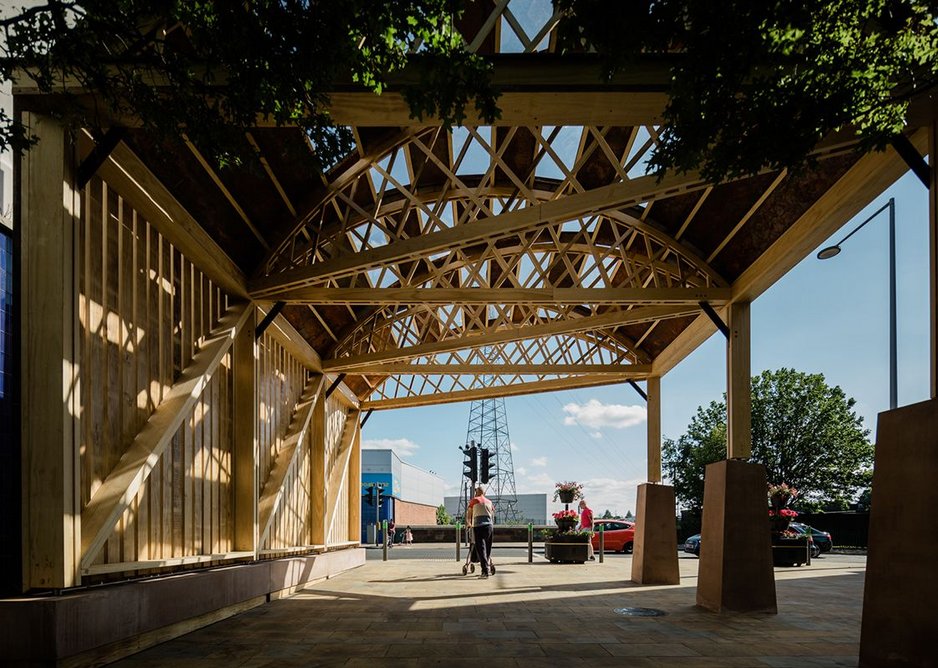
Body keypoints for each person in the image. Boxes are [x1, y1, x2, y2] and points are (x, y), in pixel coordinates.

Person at [466, 486, 495, 578]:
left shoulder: (473, 500)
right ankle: (487, 567)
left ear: (477, 492)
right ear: (484, 493)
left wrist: (469, 523)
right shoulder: (489, 502)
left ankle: (485, 572)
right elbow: (492, 514)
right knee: (488, 548)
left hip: (478, 526)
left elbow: (469, 514)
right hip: (489, 526)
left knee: (481, 549)